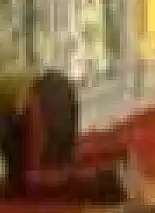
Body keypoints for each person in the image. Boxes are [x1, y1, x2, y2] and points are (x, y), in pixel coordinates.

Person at [0, 64, 132, 202]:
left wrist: (33, 166)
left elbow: (33, 106)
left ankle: (106, 180)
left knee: (37, 178)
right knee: (56, 168)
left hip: (50, 96)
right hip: (58, 94)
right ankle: (109, 176)